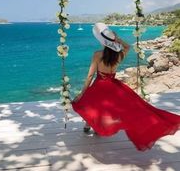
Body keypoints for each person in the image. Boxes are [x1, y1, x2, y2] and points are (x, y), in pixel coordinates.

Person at [72, 23, 180, 151]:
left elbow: (90, 76)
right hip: (113, 85)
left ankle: (88, 125)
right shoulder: (119, 55)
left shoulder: (97, 54)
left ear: (103, 42)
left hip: (100, 84)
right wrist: (118, 40)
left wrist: (82, 92)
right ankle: (92, 126)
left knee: (89, 103)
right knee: (125, 108)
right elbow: (128, 46)